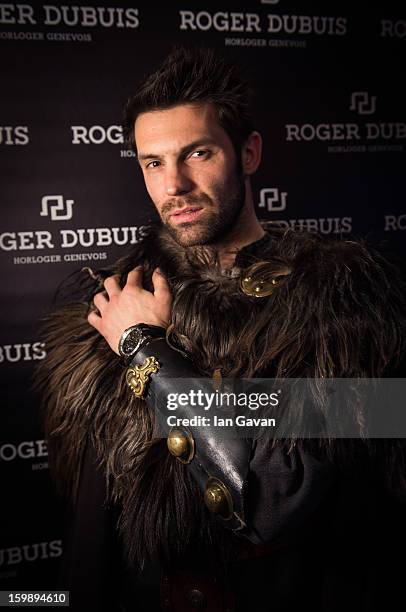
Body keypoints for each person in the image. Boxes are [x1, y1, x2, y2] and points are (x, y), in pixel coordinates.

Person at [37, 46, 406, 612]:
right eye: (152, 163)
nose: (175, 185)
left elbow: (272, 496)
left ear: (248, 153)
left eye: (198, 153)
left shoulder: (345, 303)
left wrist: (146, 349)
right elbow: (94, 537)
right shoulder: (108, 310)